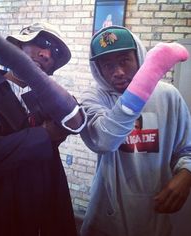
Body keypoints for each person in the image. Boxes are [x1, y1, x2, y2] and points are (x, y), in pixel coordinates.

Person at [0, 22, 86, 236]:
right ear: (16, 46)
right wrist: (44, 135)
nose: (46, 54)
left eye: (54, 53)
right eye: (40, 44)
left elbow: (77, 121)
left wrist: (22, 64)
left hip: (43, 214)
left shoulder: (51, 100)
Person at [80, 25, 191, 236]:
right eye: (108, 65)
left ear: (138, 56)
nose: (118, 72)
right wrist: (149, 75)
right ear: (98, 69)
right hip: (107, 215)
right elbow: (104, 140)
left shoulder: (168, 96)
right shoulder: (93, 98)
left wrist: (187, 174)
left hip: (157, 210)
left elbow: (187, 148)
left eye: (124, 61)